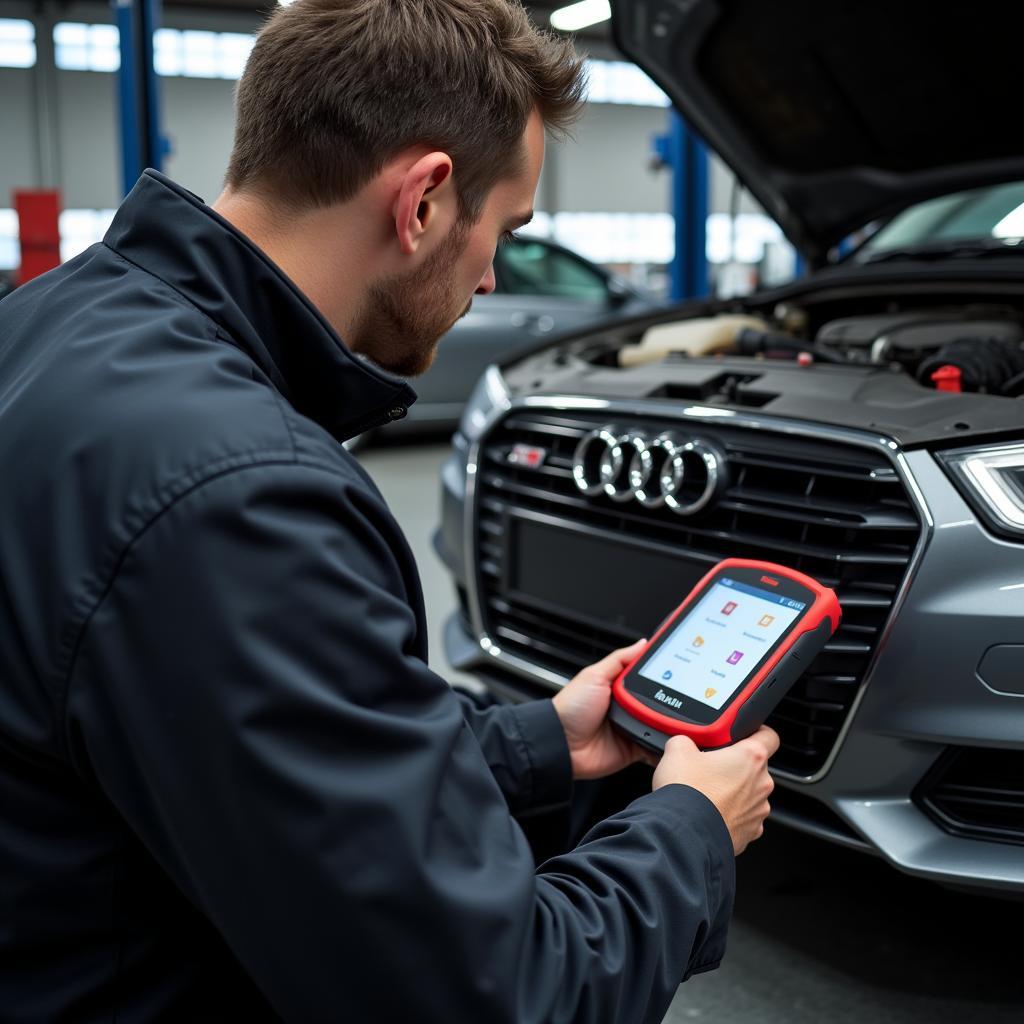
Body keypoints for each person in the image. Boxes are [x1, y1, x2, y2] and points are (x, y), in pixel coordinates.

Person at [0, 0, 777, 1020]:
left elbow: (239, 729)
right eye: (502, 231)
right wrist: (686, 830)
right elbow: (492, 994)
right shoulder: (242, 501)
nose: (493, 273)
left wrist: (542, 740)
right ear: (421, 203)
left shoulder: (49, 321)